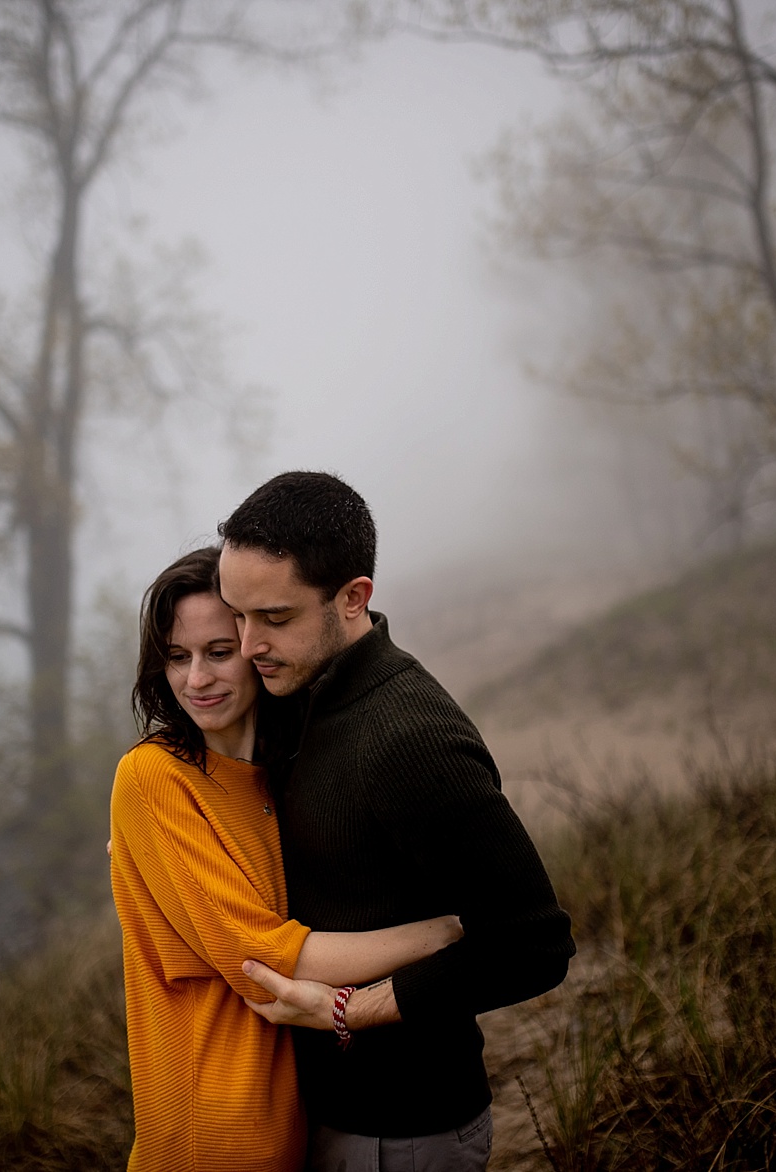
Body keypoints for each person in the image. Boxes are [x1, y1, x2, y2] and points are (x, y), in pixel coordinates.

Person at [218, 471, 575, 1172]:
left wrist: (351, 1011)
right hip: (317, 1114)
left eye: (275, 618)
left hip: (402, 1134)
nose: (248, 643)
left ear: (353, 598)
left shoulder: (410, 740)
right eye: (238, 614)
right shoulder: (297, 695)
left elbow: (533, 943)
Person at [110, 546, 465, 1172]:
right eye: (177, 656)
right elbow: (261, 958)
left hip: (299, 1120)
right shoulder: (153, 776)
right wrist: (446, 933)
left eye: (218, 652)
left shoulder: (281, 774)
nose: (196, 679)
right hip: (211, 1128)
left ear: (255, 647)